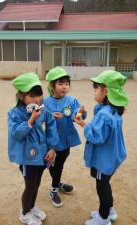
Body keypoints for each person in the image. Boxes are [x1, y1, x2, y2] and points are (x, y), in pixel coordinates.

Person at [74, 70, 129, 225]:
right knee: (105, 184)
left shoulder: (105, 115)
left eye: (96, 89)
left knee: (102, 187)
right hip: (112, 157)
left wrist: (83, 124)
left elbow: (97, 137)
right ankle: (109, 210)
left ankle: (103, 217)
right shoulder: (114, 109)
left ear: (106, 91)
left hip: (103, 160)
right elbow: (101, 126)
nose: (94, 92)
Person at [7, 72, 59, 225]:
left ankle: (31, 207)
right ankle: (24, 213)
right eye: (31, 96)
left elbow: (51, 128)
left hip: (42, 156)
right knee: (30, 185)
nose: (36, 100)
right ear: (22, 96)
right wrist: (30, 120)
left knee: (37, 183)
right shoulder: (14, 113)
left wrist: (52, 148)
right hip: (27, 158)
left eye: (39, 95)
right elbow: (16, 134)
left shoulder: (44, 111)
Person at [43, 67, 87, 207]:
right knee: (51, 163)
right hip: (50, 140)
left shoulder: (72, 100)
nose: (64, 87)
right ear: (52, 86)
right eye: (60, 83)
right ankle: (54, 188)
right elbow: (40, 120)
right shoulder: (46, 102)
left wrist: (80, 113)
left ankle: (57, 183)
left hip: (66, 139)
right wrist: (50, 116)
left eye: (67, 83)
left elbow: (76, 115)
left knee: (59, 163)